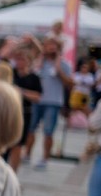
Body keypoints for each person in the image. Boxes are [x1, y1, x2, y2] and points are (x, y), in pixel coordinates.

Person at [25, 37, 73, 170]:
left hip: (53, 101)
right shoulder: (39, 62)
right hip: (37, 100)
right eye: (47, 45)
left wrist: (59, 71)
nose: (50, 48)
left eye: (53, 46)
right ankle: (27, 154)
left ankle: (45, 159)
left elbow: (70, 84)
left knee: (48, 131)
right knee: (30, 128)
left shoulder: (64, 64)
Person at [7, 47, 43, 172]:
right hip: (8, 112)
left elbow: (38, 97)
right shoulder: (10, 73)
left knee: (18, 144)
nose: (19, 62)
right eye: (17, 59)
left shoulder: (34, 78)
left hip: (24, 112)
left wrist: (22, 92)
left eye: (22, 59)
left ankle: (13, 173)